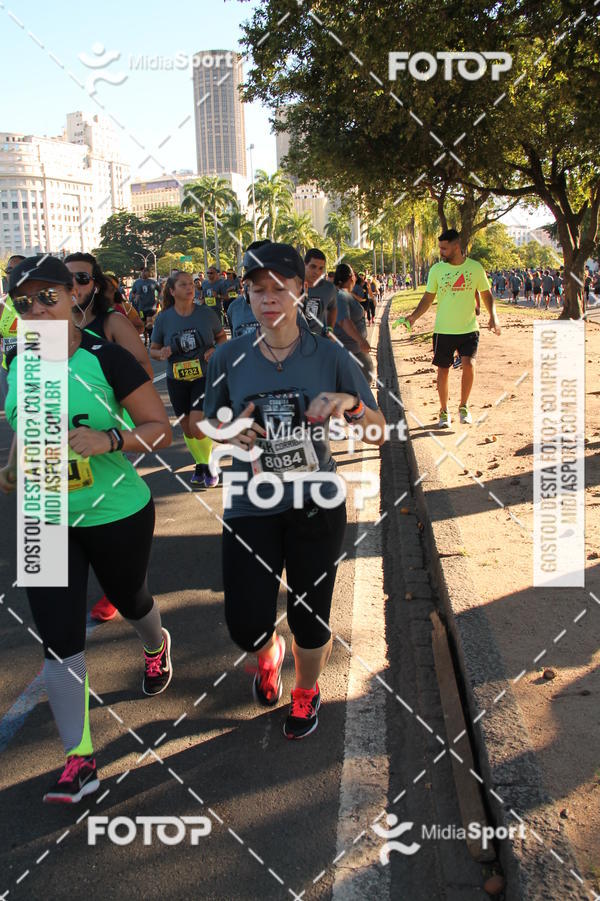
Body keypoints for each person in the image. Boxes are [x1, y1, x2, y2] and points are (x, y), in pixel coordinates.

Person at [0, 255, 173, 803]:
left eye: (46, 297)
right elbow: (24, 429)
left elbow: (159, 430)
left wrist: (110, 441)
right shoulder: (21, 360)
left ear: (74, 296)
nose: (35, 310)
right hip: (45, 513)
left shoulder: (108, 359)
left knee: (129, 596)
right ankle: (80, 758)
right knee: (58, 637)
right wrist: (11, 466)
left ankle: (156, 644)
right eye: (22, 302)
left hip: (116, 508)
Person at [202, 242, 386, 740]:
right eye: (257, 289)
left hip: (315, 503)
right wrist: (226, 431)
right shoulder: (228, 356)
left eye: (280, 287)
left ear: (301, 289)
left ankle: (306, 689)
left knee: (309, 616)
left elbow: (377, 429)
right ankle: (266, 653)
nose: (269, 298)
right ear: (246, 295)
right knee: (246, 624)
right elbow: (201, 423)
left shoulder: (329, 355)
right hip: (249, 502)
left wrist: (348, 405)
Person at [406, 228, 500, 427]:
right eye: (440, 248)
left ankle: (463, 406)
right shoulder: (437, 270)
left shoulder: (475, 268)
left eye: (444, 248)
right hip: (444, 329)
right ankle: (443, 411)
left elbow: (486, 293)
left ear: (456, 246)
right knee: (443, 370)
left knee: (469, 364)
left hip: (469, 328)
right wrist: (414, 316)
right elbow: (428, 297)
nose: (441, 252)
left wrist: (493, 316)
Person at [150, 271, 227, 488]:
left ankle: (208, 464)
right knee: (186, 427)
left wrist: (215, 349)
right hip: (176, 378)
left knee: (197, 425)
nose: (190, 287)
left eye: (191, 284)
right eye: (183, 285)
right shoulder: (164, 318)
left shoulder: (206, 314)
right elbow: (153, 350)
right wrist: (162, 352)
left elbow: (221, 337)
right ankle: (201, 464)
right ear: (172, 291)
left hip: (203, 376)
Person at [65, 253, 152, 378]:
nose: (73, 285)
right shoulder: (53, 326)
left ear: (96, 287)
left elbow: (145, 370)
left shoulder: (114, 322)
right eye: (66, 278)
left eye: (82, 278)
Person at [333, 263, 373, 382]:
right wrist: (361, 340)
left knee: (363, 383)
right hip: (349, 352)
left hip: (355, 351)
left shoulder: (345, 294)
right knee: (360, 385)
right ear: (351, 277)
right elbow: (344, 321)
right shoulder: (341, 296)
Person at [0, 254, 25, 404]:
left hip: (31, 368)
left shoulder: (40, 300)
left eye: (18, 269)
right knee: (13, 417)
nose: (13, 274)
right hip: (6, 368)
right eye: (9, 270)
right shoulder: (4, 303)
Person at [301, 248, 337, 336]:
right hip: (293, 343)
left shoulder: (329, 288)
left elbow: (333, 308)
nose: (317, 272)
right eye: (313, 266)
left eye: (321, 268)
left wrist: (330, 328)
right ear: (304, 264)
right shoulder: (292, 285)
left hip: (318, 341)